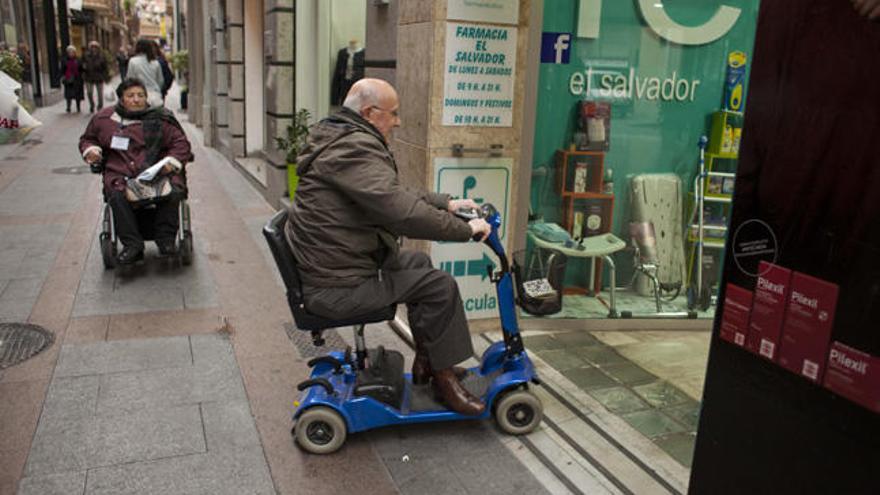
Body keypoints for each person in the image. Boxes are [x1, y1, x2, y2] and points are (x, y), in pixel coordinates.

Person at [285, 78, 492, 416]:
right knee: (440, 286)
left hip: (341, 266)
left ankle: (428, 362)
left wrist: (446, 203)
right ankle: (444, 382)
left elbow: (391, 192)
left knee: (419, 264)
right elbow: (399, 210)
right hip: (339, 286)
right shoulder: (351, 148)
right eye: (393, 114)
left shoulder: (342, 140)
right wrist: (465, 230)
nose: (397, 122)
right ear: (369, 113)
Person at [79, 78, 193, 264]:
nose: (136, 99)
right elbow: (88, 139)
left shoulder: (160, 118)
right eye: (130, 96)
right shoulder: (104, 119)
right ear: (122, 99)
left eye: (140, 95)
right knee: (116, 194)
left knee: (174, 190)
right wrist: (91, 150)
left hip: (157, 171)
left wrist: (171, 161)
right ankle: (133, 245)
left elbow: (180, 143)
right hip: (121, 172)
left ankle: (165, 240)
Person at [125, 39, 164, 107]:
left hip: (139, 97)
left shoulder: (133, 61)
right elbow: (161, 81)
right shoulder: (155, 63)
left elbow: (129, 79)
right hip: (155, 96)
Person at [82, 41, 108, 113]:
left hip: (99, 77)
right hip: (89, 77)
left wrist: (105, 77)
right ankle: (92, 105)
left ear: (97, 48)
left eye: (95, 47)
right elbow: (82, 64)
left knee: (100, 94)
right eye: (92, 47)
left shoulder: (101, 56)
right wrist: (83, 68)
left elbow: (105, 67)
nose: (93, 48)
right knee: (89, 92)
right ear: (90, 48)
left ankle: (100, 106)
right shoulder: (86, 55)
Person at [60, 46, 84, 113]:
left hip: (77, 78)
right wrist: (63, 76)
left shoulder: (78, 59)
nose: (71, 53)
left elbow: (81, 69)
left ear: (74, 52)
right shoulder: (64, 60)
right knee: (68, 94)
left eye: (72, 52)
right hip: (68, 78)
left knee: (77, 94)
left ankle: (78, 107)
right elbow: (62, 69)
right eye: (69, 52)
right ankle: (68, 107)